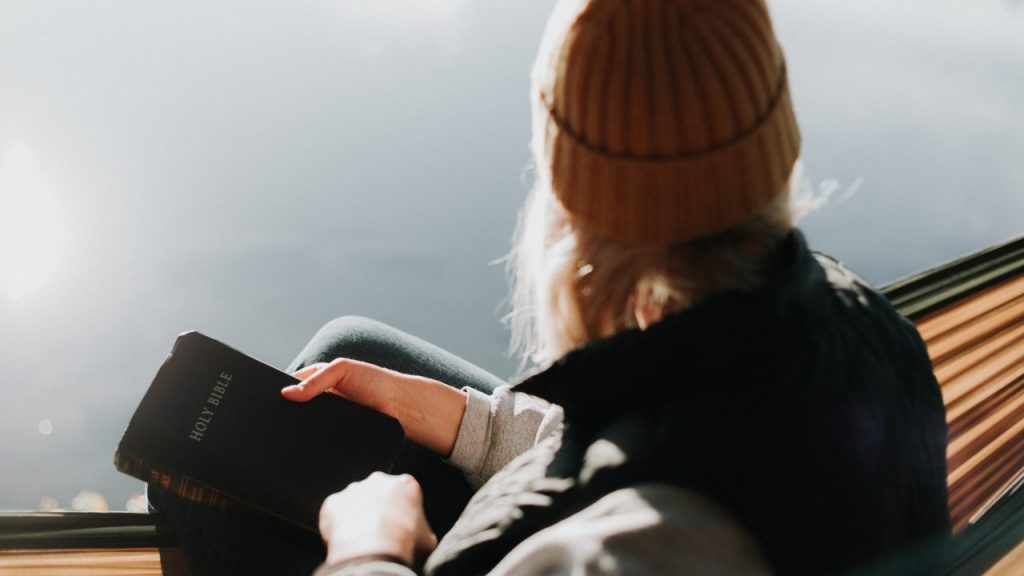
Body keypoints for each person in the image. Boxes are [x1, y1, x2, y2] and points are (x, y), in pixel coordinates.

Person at [151, 0, 952, 574]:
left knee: (193, 477)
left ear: (572, 205)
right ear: (776, 154)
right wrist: (467, 422)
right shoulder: (857, 321)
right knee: (346, 354)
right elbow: (662, 427)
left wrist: (371, 546)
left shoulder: (639, 550)